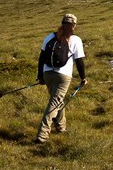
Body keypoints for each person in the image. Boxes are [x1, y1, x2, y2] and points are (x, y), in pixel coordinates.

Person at [35, 13, 86, 143]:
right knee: (54, 103)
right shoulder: (75, 40)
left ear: (62, 23)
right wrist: (83, 78)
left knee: (58, 100)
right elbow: (79, 61)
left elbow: (41, 58)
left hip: (47, 74)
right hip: (63, 76)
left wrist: (40, 76)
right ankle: (42, 135)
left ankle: (61, 127)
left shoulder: (49, 37)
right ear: (74, 25)